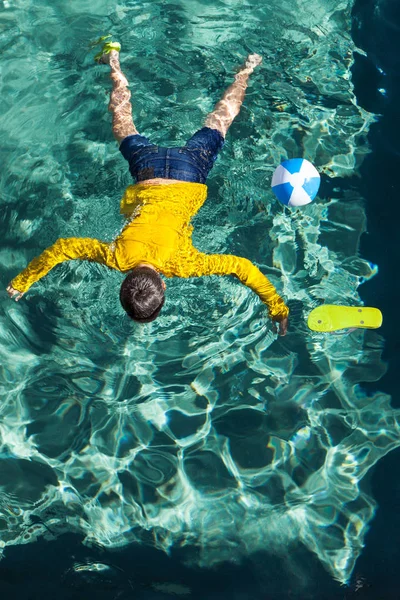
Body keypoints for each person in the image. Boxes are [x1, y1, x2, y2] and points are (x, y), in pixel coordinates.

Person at [7, 39, 289, 335]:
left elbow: (242, 268)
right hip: (148, 168)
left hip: (190, 171)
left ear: (164, 285)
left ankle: (247, 69)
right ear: (123, 283)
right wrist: (22, 281)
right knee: (122, 123)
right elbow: (62, 248)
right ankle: (113, 60)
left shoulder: (181, 264)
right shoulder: (116, 256)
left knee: (220, 123)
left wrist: (277, 306)